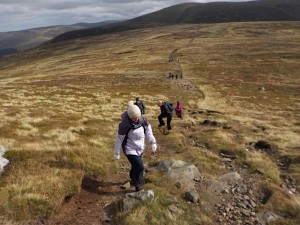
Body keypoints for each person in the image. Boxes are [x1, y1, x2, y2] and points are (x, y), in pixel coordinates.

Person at [114, 105, 157, 192]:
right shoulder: (124, 125)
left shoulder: (143, 119)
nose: (136, 119)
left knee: (135, 165)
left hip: (140, 148)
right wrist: (117, 152)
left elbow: (148, 131)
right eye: (134, 118)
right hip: (129, 148)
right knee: (140, 166)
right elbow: (119, 139)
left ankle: (133, 178)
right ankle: (139, 185)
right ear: (129, 117)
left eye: (137, 117)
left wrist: (153, 142)